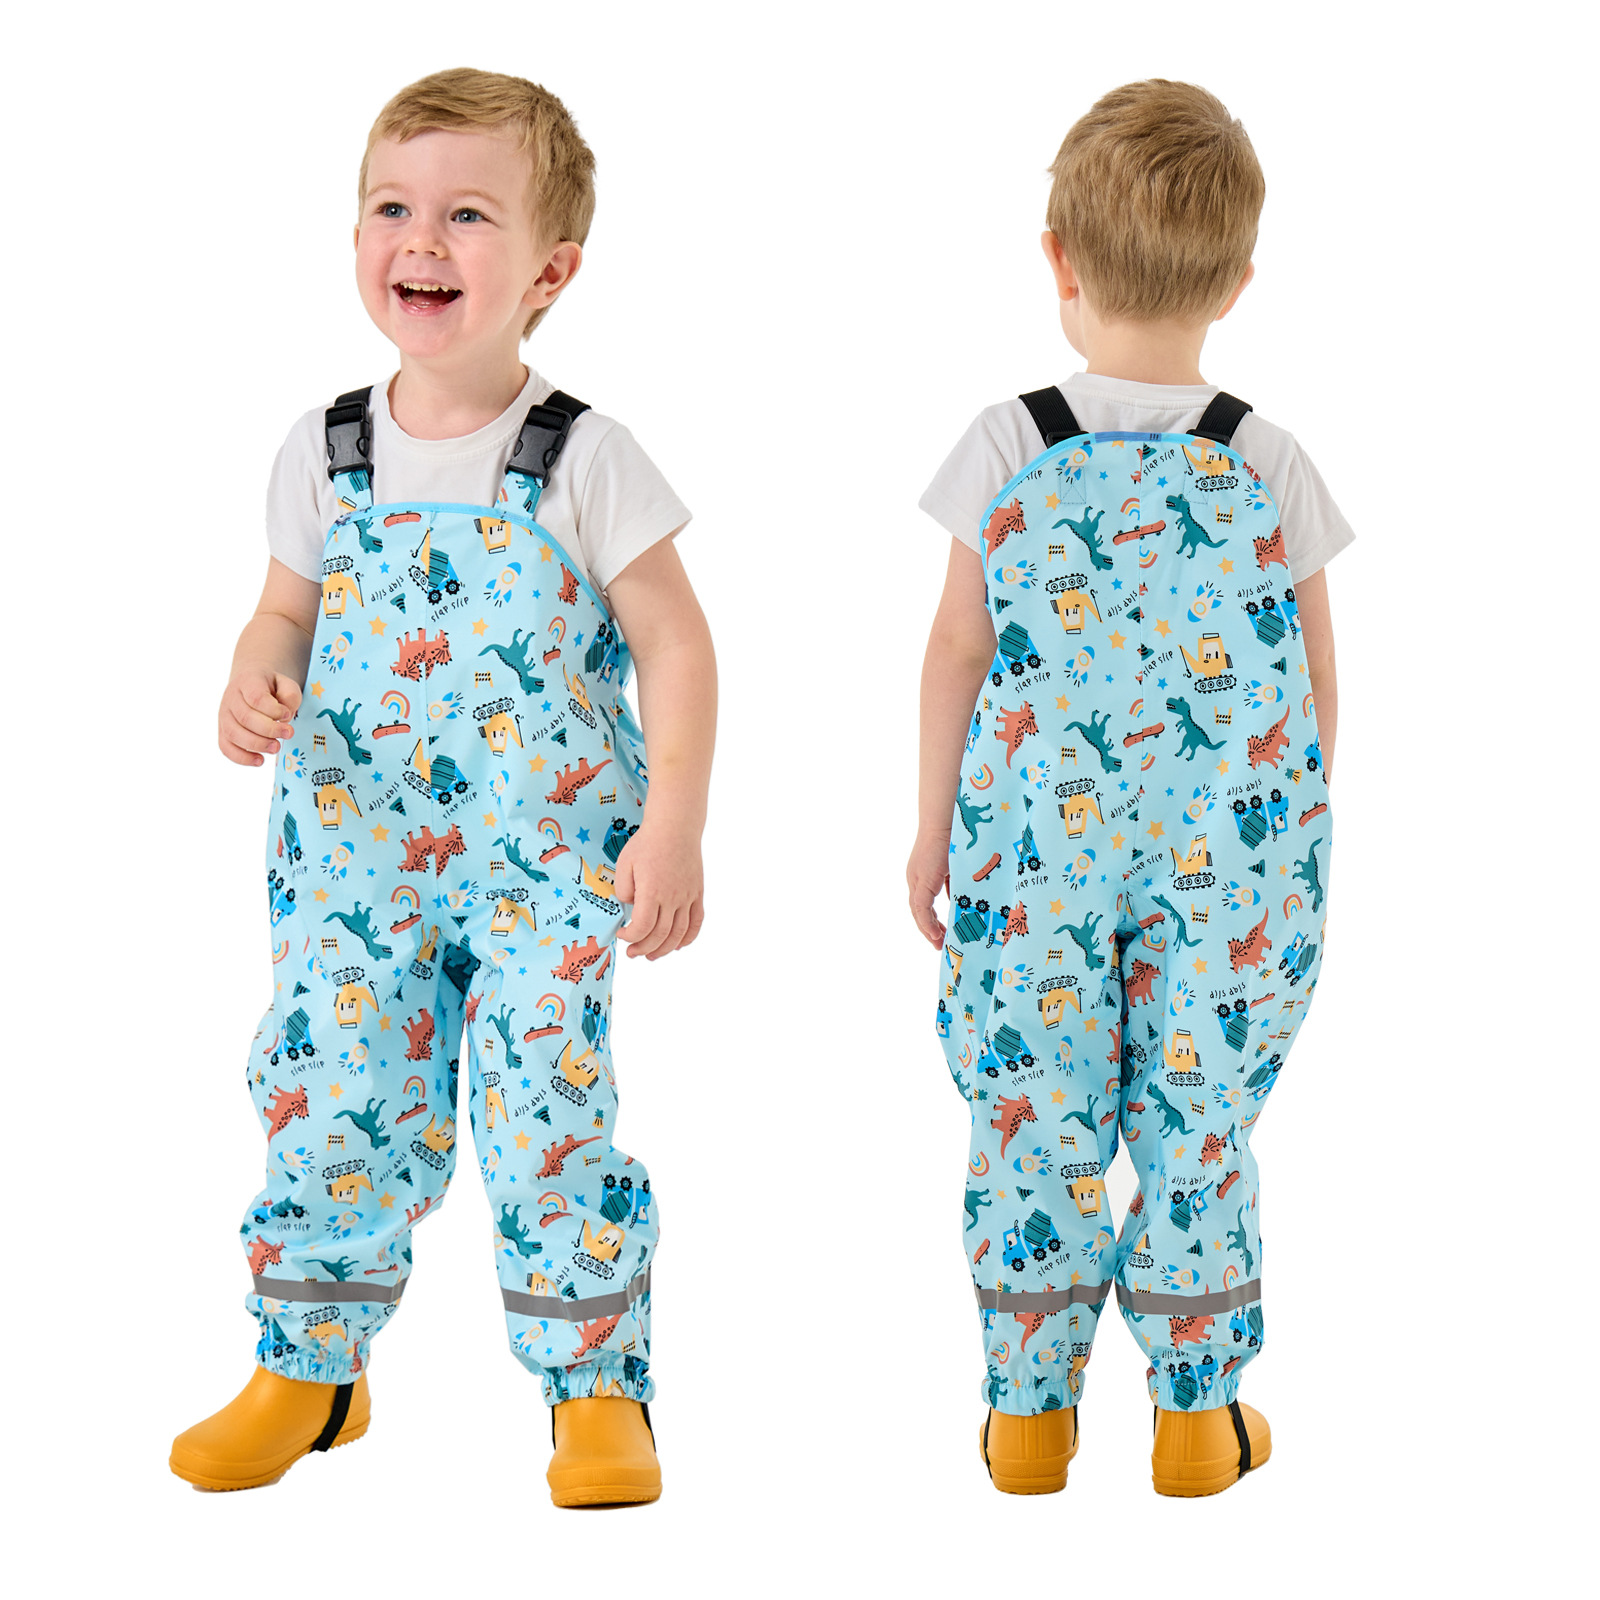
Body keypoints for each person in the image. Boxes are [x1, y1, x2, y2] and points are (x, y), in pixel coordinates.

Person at [170, 67, 716, 1507]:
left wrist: (673, 827)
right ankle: (309, 1368)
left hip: (545, 870)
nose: (421, 240)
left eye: (468, 215)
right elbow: (283, 611)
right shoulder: (325, 449)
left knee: (547, 1115)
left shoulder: (584, 457)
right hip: (354, 865)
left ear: (549, 272)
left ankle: (597, 1391)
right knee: (329, 1095)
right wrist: (254, 675)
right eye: (391, 209)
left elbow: (676, 643)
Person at [908, 79, 1346, 1498]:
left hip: (1030, 851)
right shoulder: (1266, 458)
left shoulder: (1008, 443)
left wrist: (933, 827)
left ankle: (1030, 1419)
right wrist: (1296, 841)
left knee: (1030, 1110)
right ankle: (1198, 1419)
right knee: (1197, 1114)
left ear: (1059, 260)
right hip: (1232, 854)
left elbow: (959, 651)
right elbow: (1312, 683)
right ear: (1239, 280)